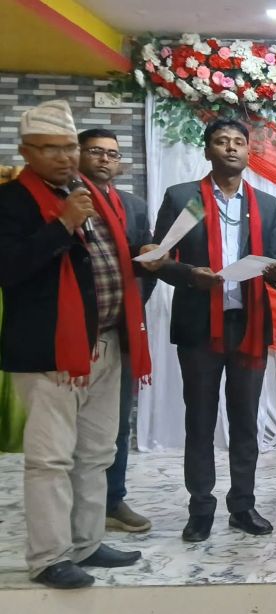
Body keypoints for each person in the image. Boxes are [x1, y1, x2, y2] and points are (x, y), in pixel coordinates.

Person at [0, 100, 153, 588]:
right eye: (51, 149)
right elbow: (9, 270)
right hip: (51, 352)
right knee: (50, 460)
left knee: (96, 453)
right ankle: (49, 557)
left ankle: (86, 542)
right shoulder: (12, 202)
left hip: (106, 342)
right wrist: (61, 224)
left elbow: (104, 261)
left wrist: (143, 255)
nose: (65, 157)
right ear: (27, 151)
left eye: (69, 147)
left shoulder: (86, 194)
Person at [151, 118, 276, 542]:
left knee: (245, 422)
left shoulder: (266, 205)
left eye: (238, 142)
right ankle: (200, 509)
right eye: (221, 141)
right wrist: (191, 275)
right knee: (200, 421)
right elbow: (157, 259)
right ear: (207, 150)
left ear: (248, 152)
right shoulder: (183, 198)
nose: (231, 148)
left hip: (249, 326)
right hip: (199, 328)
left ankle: (243, 506)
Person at [77, 128, 156, 533]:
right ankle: (74, 510)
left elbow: (147, 264)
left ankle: (112, 500)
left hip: (122, 331)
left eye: (112, 153)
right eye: (96, 151)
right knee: (71, 430)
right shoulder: (68, 201)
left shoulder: (134, 206)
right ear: (78, 154)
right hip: (74, 334)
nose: (105, 159)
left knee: (116, 424)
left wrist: (135, 304)